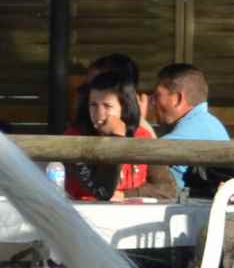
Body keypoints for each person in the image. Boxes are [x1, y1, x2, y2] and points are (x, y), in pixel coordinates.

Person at [63, 72, 175, 202]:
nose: (99, 114)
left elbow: (168, 188)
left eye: (107, 106)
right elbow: (102, 191)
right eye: (93, 105)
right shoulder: (75, 138)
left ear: (125, 108)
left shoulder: (142, 136)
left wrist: (126, 195)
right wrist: (117, 138)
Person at [151, 63, 230, 192]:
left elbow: (148, 154)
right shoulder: (205, 122)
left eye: (157, 96)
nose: (152, 103)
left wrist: (139, 123)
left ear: (177, 99)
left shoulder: (197, 126)